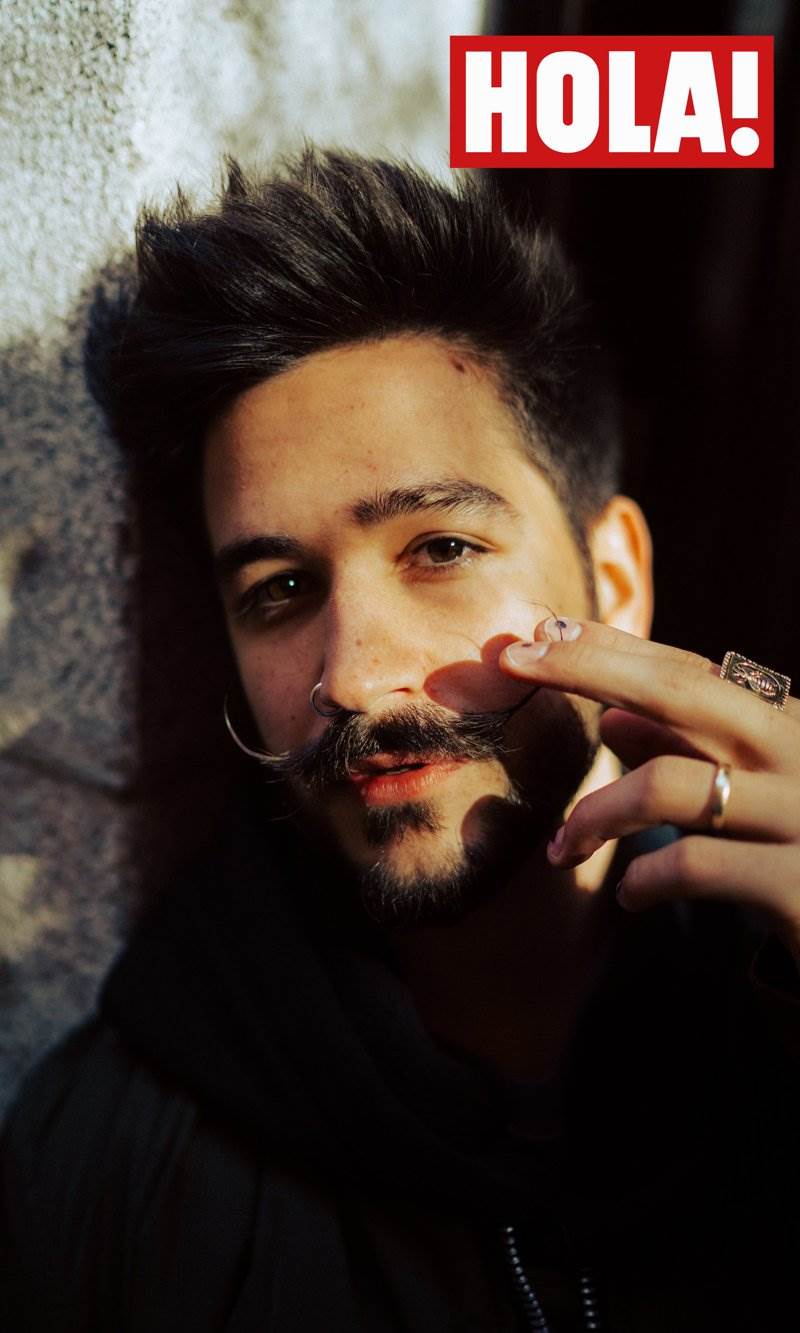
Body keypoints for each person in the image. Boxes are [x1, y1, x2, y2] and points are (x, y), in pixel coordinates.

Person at [2, 147, 799, 1333]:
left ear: (616, 577)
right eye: (278, 589)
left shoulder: (766, 1018)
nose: (354, 676)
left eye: (439, 548)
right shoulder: (110, 1169)